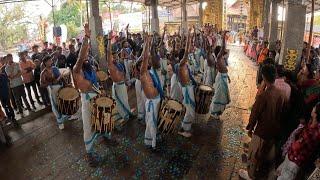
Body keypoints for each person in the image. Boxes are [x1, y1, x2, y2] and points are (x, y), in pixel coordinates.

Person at [73, 24, 117, 167]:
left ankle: (106, 136)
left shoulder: (90, 67)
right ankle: (90, 153)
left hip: (96, 96)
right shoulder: (77, 69)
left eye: (87, 55)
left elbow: (97, 80)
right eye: (84, 55)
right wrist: (86, 37)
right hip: (87, 101)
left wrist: (102, 90)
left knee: (103, 118)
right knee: (88, 127)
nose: (86, 56)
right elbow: (81, 56)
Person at [238, 64, 286, 180]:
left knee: (255, 153)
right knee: (265, 152)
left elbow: (255, 114)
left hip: (262, 130)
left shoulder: (263, 96)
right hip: (274, 129)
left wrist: (250, 127)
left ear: (263, 77)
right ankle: (260, 171)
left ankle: (251, 175)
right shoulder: (281, 93)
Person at [277, 103, 320, 180]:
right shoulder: (311, 124)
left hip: (295, 162)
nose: (312, 108)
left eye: (314, 108)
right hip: (292, 157)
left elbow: (299, 145)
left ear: (316, 114)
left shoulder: (314, 131)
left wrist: (295, 142)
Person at [140, 34, 164, 150]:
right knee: (151, 122)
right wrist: (147, 44)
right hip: (151, 102)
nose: (147, 62)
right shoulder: (143, 74)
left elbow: (152, 59)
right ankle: (152, 144)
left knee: (155, 121)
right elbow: (145, 58)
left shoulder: (152, 73)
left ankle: (153, 139)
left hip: (157, 99)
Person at [40, 56, 73, 129]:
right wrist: (51, 82)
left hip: (60, 87)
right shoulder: (43, 73)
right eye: (48, 61)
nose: (50, 62)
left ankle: (68, 116)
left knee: (64, 102)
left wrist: (66, 84)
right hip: (52, 90)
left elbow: (61, 77)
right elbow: (42, 84)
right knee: (56, 106)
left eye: (50, 60)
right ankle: (60, 122)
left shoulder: (55, 68)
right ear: (45, 63)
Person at [107, 31, 132, 123]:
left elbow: (123, 73)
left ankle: (126, 114)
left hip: (122, 85)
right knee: (119, 102)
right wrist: (109, 40)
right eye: (113, 57)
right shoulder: (111, 66)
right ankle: (124, 116)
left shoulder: (120, 64)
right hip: (117, 85)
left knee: (125, 100)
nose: (115, 58)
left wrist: (126, 82)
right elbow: (108, 52)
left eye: (116, 56)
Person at [177, 29, 196, 138]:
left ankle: (186, 127)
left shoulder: (185, 65)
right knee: (190, 109)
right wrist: (189, 37)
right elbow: (186, 52)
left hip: (189, 87)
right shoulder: (181, 64)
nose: (187, 57)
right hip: (187, 89)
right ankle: (183, 129)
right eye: (185, 57)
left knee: (190, 109)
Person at [210, 31, 230, 119]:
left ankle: (217, 112)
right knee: (218, 96)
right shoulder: (218, 57)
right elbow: (222, 48)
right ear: (219, 52)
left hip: (223, 77)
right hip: (221, 78)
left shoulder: (221, 58)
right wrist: (223, 37)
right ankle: (214, 112)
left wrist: (228, 77)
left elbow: (224, 68)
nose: (224, 51)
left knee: (222, 96)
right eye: (221, 51)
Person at [133, 58, 146, 124]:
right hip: (139, 82)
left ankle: (143, 114)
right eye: (139, 65)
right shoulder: (137, 66)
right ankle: (141, 114)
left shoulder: (145, 65)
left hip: (142, 82)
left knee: (144, 99)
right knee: (140, 98)